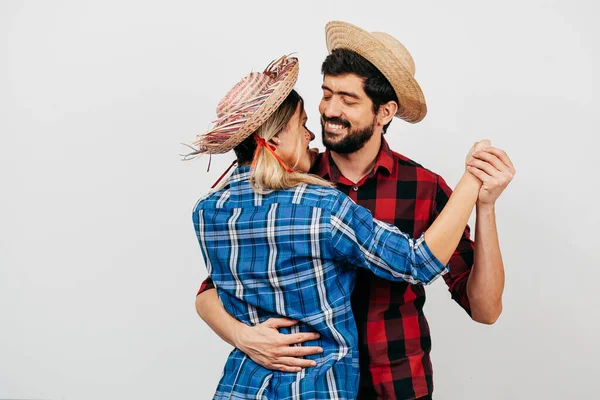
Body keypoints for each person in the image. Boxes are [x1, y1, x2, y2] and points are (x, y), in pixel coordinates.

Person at [195, 22, 515, 399]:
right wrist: (245, 337)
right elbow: (215, 290)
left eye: (348, 99)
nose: (329, 110)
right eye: (326, 93)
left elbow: (485, 309)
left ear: (384, 112)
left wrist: (486, 207)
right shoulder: (291, 181)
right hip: (313, 387)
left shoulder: (424, 188)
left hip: (398, 387)